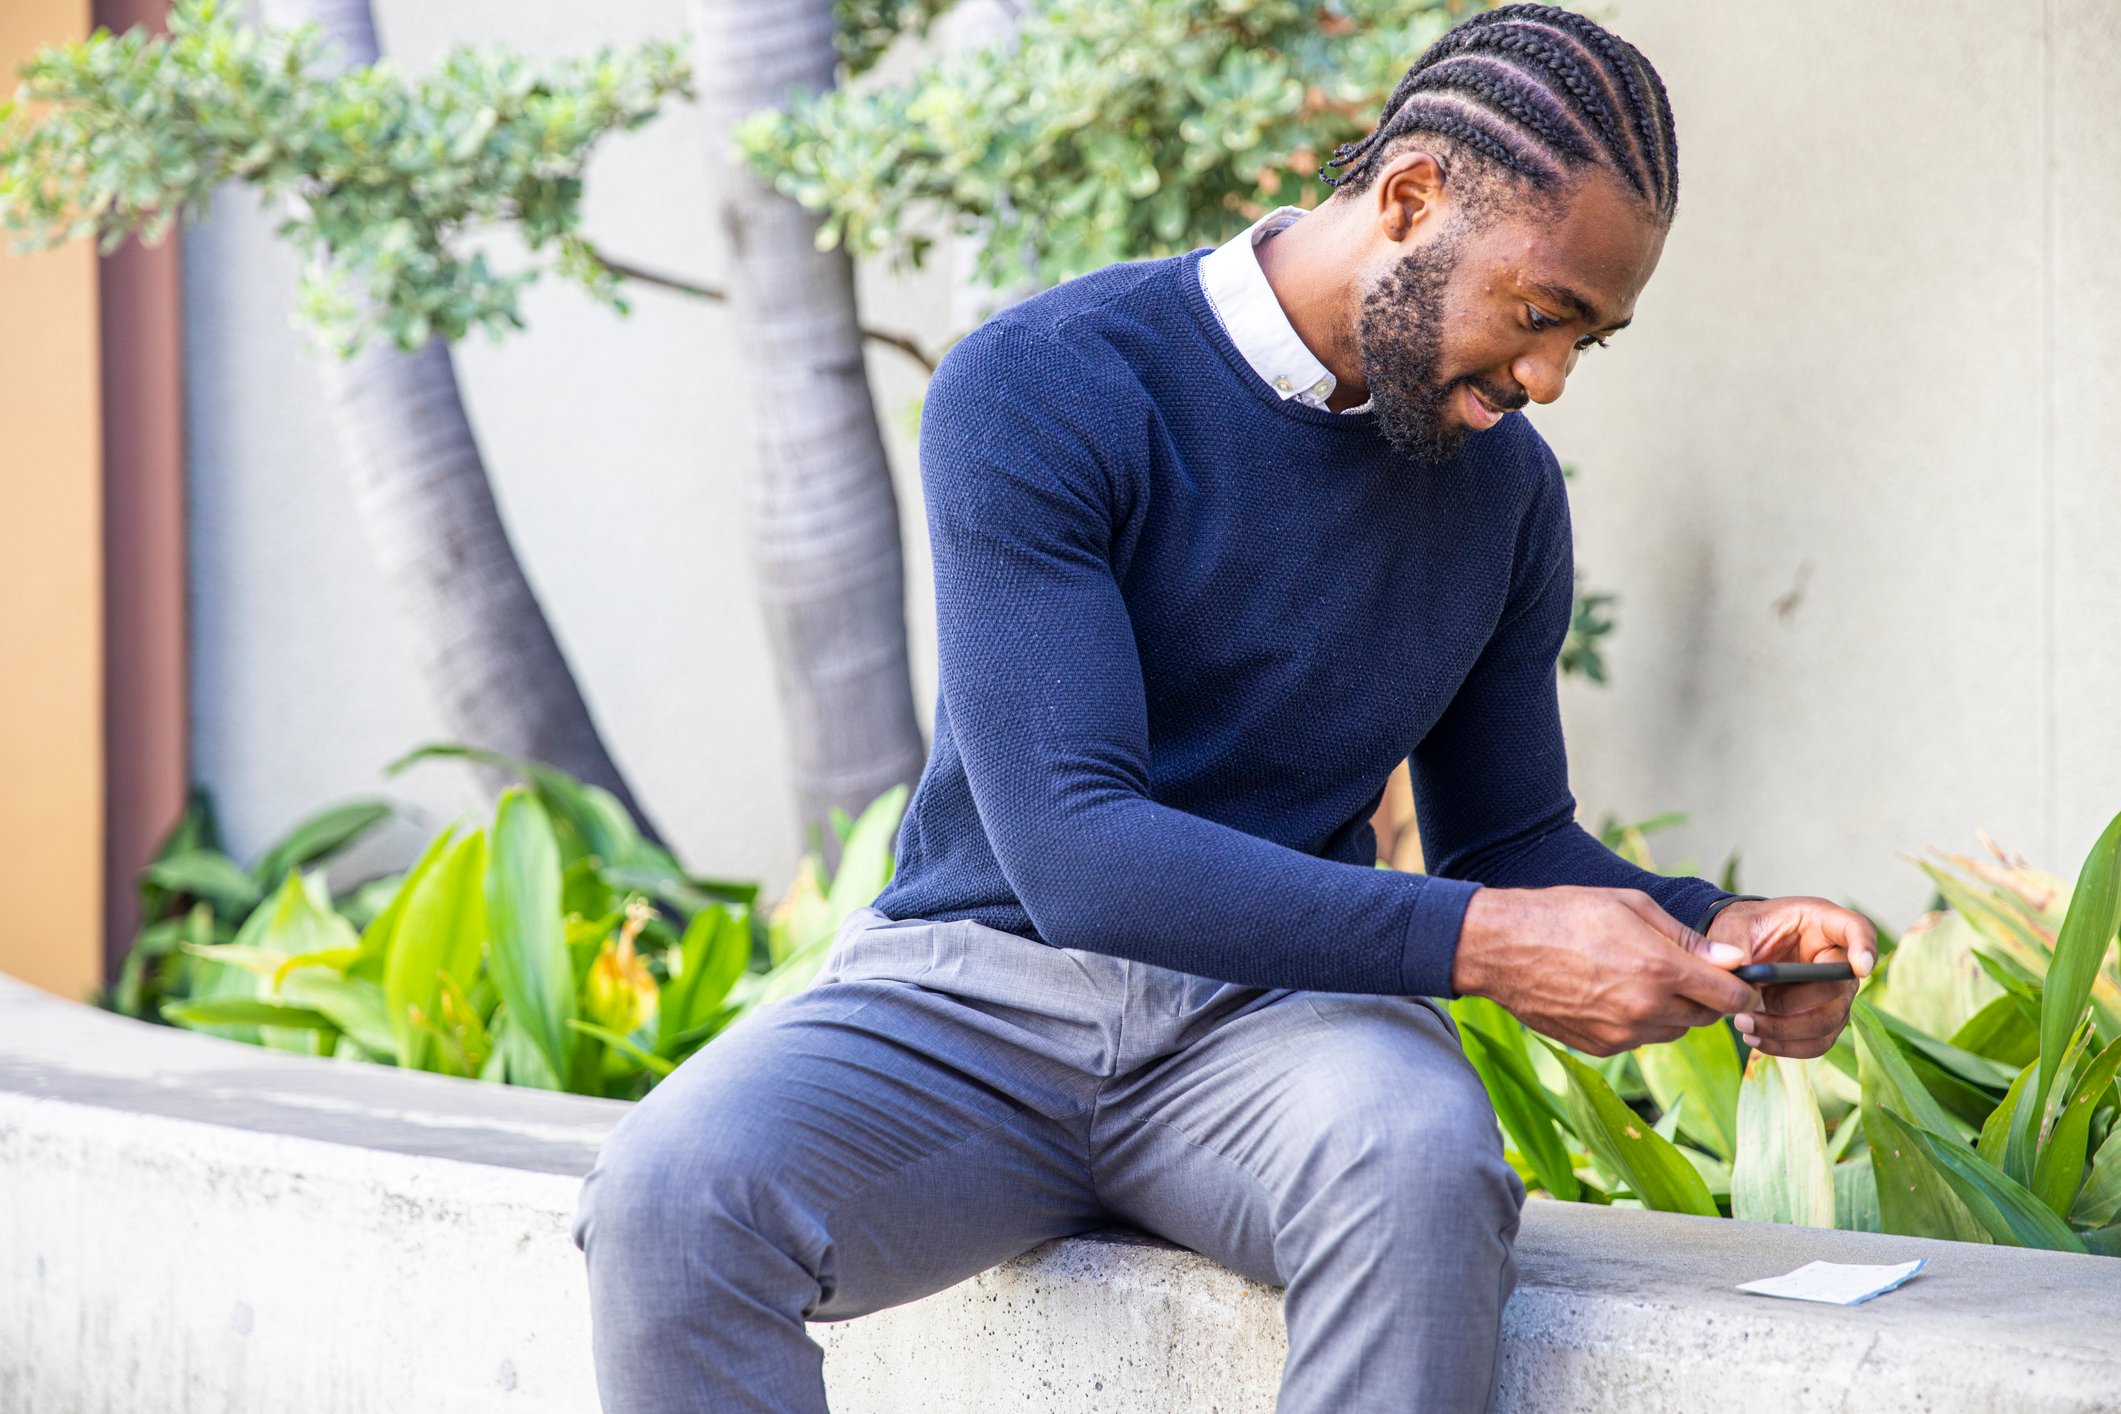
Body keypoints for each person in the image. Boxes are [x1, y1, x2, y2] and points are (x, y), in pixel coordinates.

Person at [571, 6, 1878, 1410]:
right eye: (1541, 310)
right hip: (975, 995)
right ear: (1407, 198)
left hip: (1286, 1022)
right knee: (672, 1194)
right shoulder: (1050, 384)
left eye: (1590, 341)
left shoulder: (1503, 493)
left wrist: (1714, 930)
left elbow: (1508, 835)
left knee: (1417, 1168)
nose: (1546, 379)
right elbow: (1073, 850)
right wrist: (1488, 943)